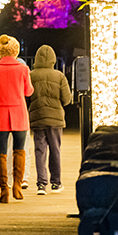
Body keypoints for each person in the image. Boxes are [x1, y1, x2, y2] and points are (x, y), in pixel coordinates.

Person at [0, 34, 33, 203]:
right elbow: (28, 92)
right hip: (19, 113)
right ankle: (18, 187)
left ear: (0, 51)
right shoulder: (23, 69)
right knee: (19, 150)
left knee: (1, 153)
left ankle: (4, 190)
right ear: (15, 50)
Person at [28, 45, 72, 194]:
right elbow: (67, 99)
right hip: (55, 119)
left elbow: (27, 95)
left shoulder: (31, 75)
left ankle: (41, 184)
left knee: (40, 150)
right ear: (53, 59)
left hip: (38, 117)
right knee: (55, 150)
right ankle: (56, 183)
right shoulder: (59, 76)